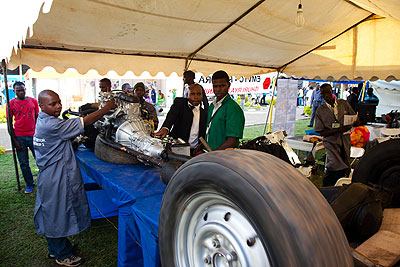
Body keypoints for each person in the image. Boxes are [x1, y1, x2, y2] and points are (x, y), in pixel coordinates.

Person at [33, 90, 115, 266]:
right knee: (57, 214)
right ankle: (62, 254)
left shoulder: (44, 119)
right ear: (41, 106)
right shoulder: (52, 125)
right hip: (55, 175)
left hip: (50, 173)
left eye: (59, 102)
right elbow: (85, 122)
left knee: (52, 212)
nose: (58, 106)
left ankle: (56, 248)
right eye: (52, 104)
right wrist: (107, 108)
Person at [315, 84, 356, 186]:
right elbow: (321, 131)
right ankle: (327, 187)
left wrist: (354, 123)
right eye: (323, 93)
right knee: (335, 165)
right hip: (331, 142)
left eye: (327, 92)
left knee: (345, 164)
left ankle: (341, 186)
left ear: (332, 91)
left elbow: (353, 118)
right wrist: (337, 130)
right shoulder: (321, 110)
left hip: (344, 140)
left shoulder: (343, 104)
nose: (326, 95)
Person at [154, 84, 206, 155]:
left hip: (195, 150)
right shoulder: (180, 104)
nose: (196, 97)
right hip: (178, 148)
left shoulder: (204, 112)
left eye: (198, 94)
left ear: (202, 95)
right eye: (192, 94)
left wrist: (201, 146)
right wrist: (165, 128)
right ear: (187, 95)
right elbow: (171, 116)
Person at [7, 82, 39, 194]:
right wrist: (14, 140)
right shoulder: (10, 104)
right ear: (14, 91)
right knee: (24, 163)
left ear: (25, 89)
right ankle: (30, 184)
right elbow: (9, 124)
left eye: (22, 90)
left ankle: (44, 181)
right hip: (19, 136)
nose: (21, 92)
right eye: (18, 91)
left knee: (40, 159)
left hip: (33, 135)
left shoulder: (33, 101)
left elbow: (37, 119)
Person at [205, 70, 245, 151]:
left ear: (228, 85)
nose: (218, 89)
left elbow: (232, 141)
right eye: (215, 86)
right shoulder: (212, 105)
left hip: (224, 157)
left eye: (222, 86)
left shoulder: (233, 108)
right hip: (210, 154)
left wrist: (213, 154)